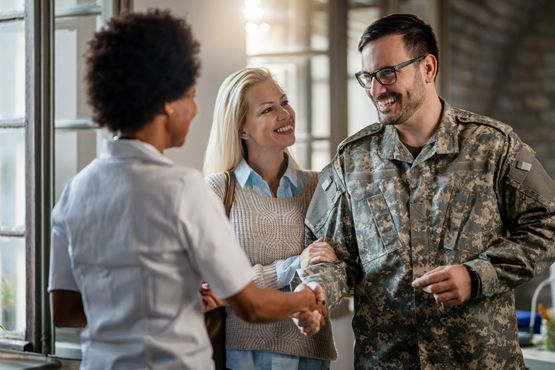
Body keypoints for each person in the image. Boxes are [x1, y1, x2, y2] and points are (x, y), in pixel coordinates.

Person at [47, 11, 326, 370]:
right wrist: (304, 298)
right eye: (191, 96)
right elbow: (251, 305)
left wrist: (136, 310)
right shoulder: (183, 189)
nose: (194, 110)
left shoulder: (74, 191)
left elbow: (65, 311)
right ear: (167, 101)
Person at [292, 13, 555, 369]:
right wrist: (317, 292)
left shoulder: (494, 146)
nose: (375, 89)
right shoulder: (351, 161)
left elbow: (548, 225)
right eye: (367, 77)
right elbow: (334, 256)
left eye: (387, 73)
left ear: (428, 68)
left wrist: (478, 276)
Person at [203, 67, 338, 370]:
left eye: (284, 102)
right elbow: (213, 285)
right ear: (241, 129)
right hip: (242, 357)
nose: (284, 113)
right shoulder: (217, 190)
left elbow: (336, 268)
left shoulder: (320, 186)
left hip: (311, 354)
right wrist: (291, 266)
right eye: (268, 109)